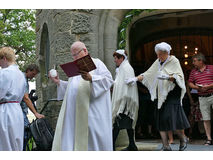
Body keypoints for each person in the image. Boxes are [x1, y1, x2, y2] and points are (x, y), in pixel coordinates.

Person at [49, 41, 114, 151]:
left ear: (85, 51)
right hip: (75, 116)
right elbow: (73, 89)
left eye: (76, 54)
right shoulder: (76, 68)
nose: (74, 58)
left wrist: (91, 78)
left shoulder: (97, 63)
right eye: (72, 55)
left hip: (92, 113)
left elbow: (108, 81)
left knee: (92, 143)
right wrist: (59, 82)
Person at [126, 42, 190, 151]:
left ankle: (183, 138)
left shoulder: (173, 61)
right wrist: (136, 79)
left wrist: (168, 77)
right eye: (157, 54)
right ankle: (165, 145)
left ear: (166, 53)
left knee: (172, 118)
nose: (158, 56)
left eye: (160, 54)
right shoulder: (158, 62)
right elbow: (148, 74)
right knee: (161, 119)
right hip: (161, 95)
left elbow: (179, 76)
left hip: (172, 94)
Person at [111, 49, 139, 151]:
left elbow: (128, 84)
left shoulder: (126, 68)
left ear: (121, 58)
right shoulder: (122, 68)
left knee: (117, 124)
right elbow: (120, 83)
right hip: (125, 101)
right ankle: (132, 145)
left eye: (116, 58)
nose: (114, 60)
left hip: (125, 101)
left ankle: (111, 147)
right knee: (128, 125)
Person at [0, 47, 26, 150]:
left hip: (5, 110)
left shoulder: (4, 72)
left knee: (5, 143)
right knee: (16, 142)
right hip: (17, 110)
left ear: (4, 58)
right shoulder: (21, 74)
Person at [188, 53, 213, 145]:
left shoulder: (211, 68)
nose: (193, 63)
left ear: (201, 61)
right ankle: (209, 139)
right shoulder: (193, 71)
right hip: (202, 97)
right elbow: (189, 83)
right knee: (206, 119)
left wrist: (209, 86)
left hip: (212, 94)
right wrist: (196, 87)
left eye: (194, 61)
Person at [20, 64, 45, 151]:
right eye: (33, 74)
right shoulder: (22, 79)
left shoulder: (24, 79)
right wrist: (35, 113)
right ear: (28, 70)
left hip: (22, 111)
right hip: (19, 111)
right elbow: (26, 98)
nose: (33, 76)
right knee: (25, 133)